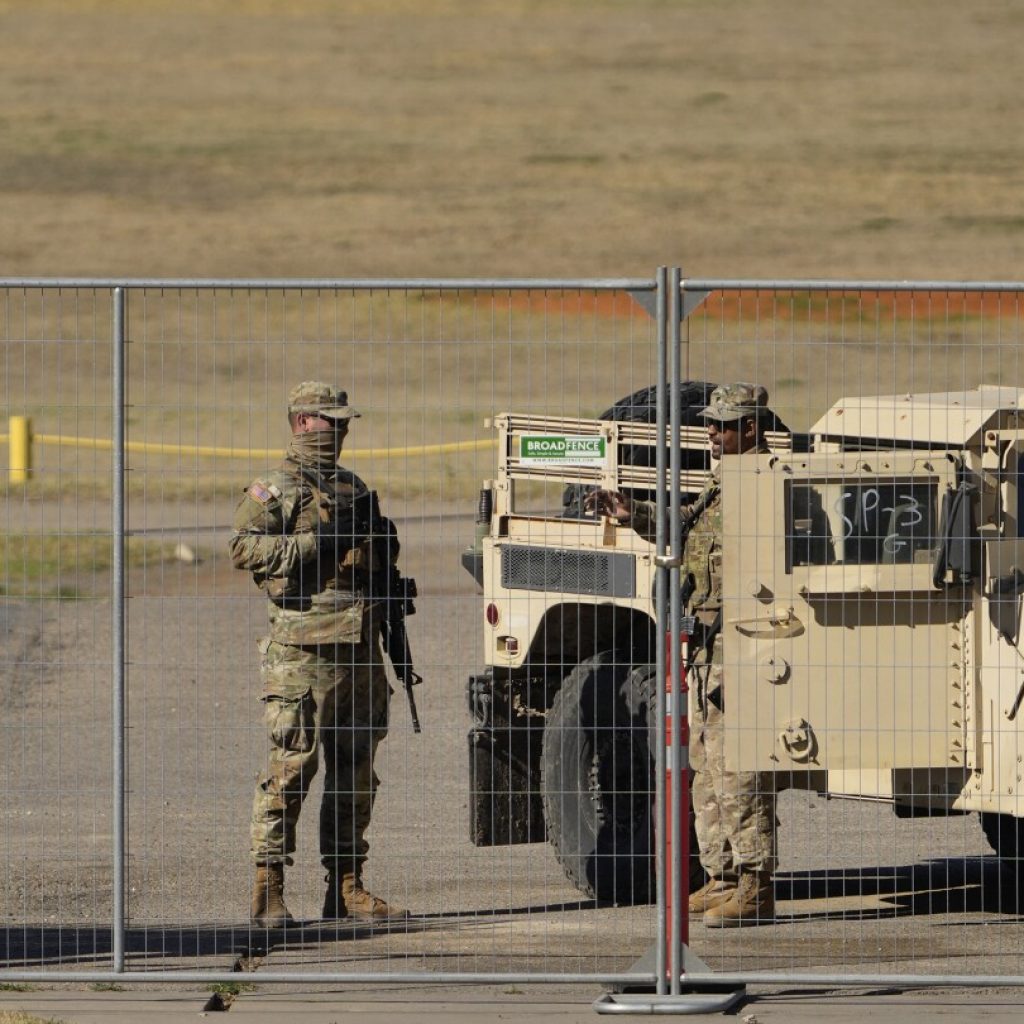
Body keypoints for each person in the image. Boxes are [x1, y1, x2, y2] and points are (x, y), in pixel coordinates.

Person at [586, 382, 777, 927]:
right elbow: (683, 526)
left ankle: (756, 881)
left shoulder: (765, 484)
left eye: (722, 425)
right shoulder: (723, 484)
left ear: (750, 429)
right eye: (710, 424)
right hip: (709, 646)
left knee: (741, 768)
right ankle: (722, 875)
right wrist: (634, 513)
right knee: (709, 765)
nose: (711, 434)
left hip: (745, 645)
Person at [230, 381, 406, 927]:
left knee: (356, 773)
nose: (342, 430)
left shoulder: (355, 488)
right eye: (332, 421)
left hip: (359, 651)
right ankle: (268, 888)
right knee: (291, 770)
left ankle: (346, 884)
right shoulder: (276, 488)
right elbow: (242, 547)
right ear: (302, 422)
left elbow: (373, 560)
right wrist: (317, 543)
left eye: (346, 421)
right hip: (302, 655)